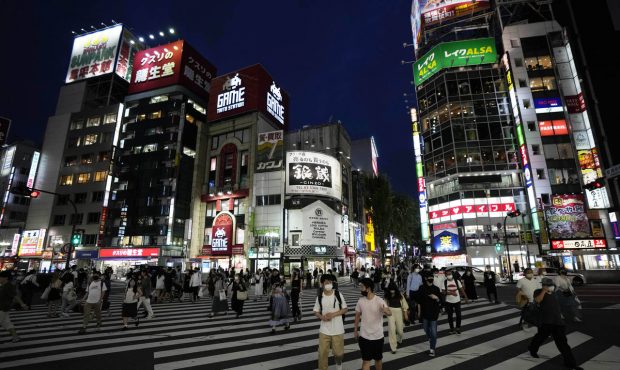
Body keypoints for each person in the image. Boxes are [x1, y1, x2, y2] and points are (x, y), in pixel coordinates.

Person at [528, 278, 583, 370]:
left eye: (551, 285)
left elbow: (566, 299)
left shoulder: (555, 293)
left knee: (563, 344)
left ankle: (571, 364)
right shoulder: (538, 291)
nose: (551, 286)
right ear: (543, 285)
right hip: (546, 321)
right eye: (548, 285)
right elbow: (537, 300)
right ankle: (532, 349)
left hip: (558, 322)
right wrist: (544, 291)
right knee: (540, 338)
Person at [354, 278, 391, 370]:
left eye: (362, 287)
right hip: (364, 336)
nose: (360, 289)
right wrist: (355, 330)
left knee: (378, 360)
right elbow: (357, 316)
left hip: (377, 336)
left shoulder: (379, 300)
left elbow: (389, 313)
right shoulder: (361, 301)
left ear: (368, 288)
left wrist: (386, 311)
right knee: (366, 361)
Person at [313, 274, 347, 370]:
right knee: (322, 353)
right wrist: (322, 317)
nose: (329, 284)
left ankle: (338, 363)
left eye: (330, 282)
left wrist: (333, 314)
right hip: (324, 330)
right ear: (322, 283)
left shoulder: (337, 294)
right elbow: (315, 311)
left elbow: (345, 309)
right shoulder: (320, 297)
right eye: (326, 282)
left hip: (338, 329)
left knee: (338, 353)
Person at [419, 273, 442, 357]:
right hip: (425, 312)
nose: (430, 279)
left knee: (434, 333)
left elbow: (441, 301)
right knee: (425, 329)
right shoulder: (422, 288)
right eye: (429, 278)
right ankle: (430, 338)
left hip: (434, 313)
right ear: (425, 278)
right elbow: (419, 300)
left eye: (431, 277)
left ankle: (432, 349)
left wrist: (437, 298)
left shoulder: (436, 288)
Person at [385, 282, 408, 354]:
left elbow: (404, 305)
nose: (392, 291)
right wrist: (386, 311)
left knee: (400, 330)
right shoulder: (386, 296)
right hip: (390, 312)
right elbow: (384, 305)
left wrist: (405, 314)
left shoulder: (400, 295)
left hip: (399, 312)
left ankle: (400, 338)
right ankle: (393, 347)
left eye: (393, 290)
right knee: (391, 329)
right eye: (391, 290)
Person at [442, 270, 468, 334]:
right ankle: (452, 329)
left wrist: (465, 297)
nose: (449, 275)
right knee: (450, 316)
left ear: (452, 274)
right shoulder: (445, 282)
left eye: (450, 274)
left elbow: (461, 289)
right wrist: (451, 293)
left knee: (458, 315)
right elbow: (443, 292)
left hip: (457, 300)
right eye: (447, 274)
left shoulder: (457, 281)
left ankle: (458, 328)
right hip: (448, 301)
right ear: (445, 275)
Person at [0, 270, 20, 342]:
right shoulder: (3, 285)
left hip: (3, 307)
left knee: (6, 323)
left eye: (1, 277)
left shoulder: (8, 286)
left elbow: (15, 296)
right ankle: (16, 337)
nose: (0, 279)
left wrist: (22, 304)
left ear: (6, 278)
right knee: (7, 323)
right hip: (3, 308)